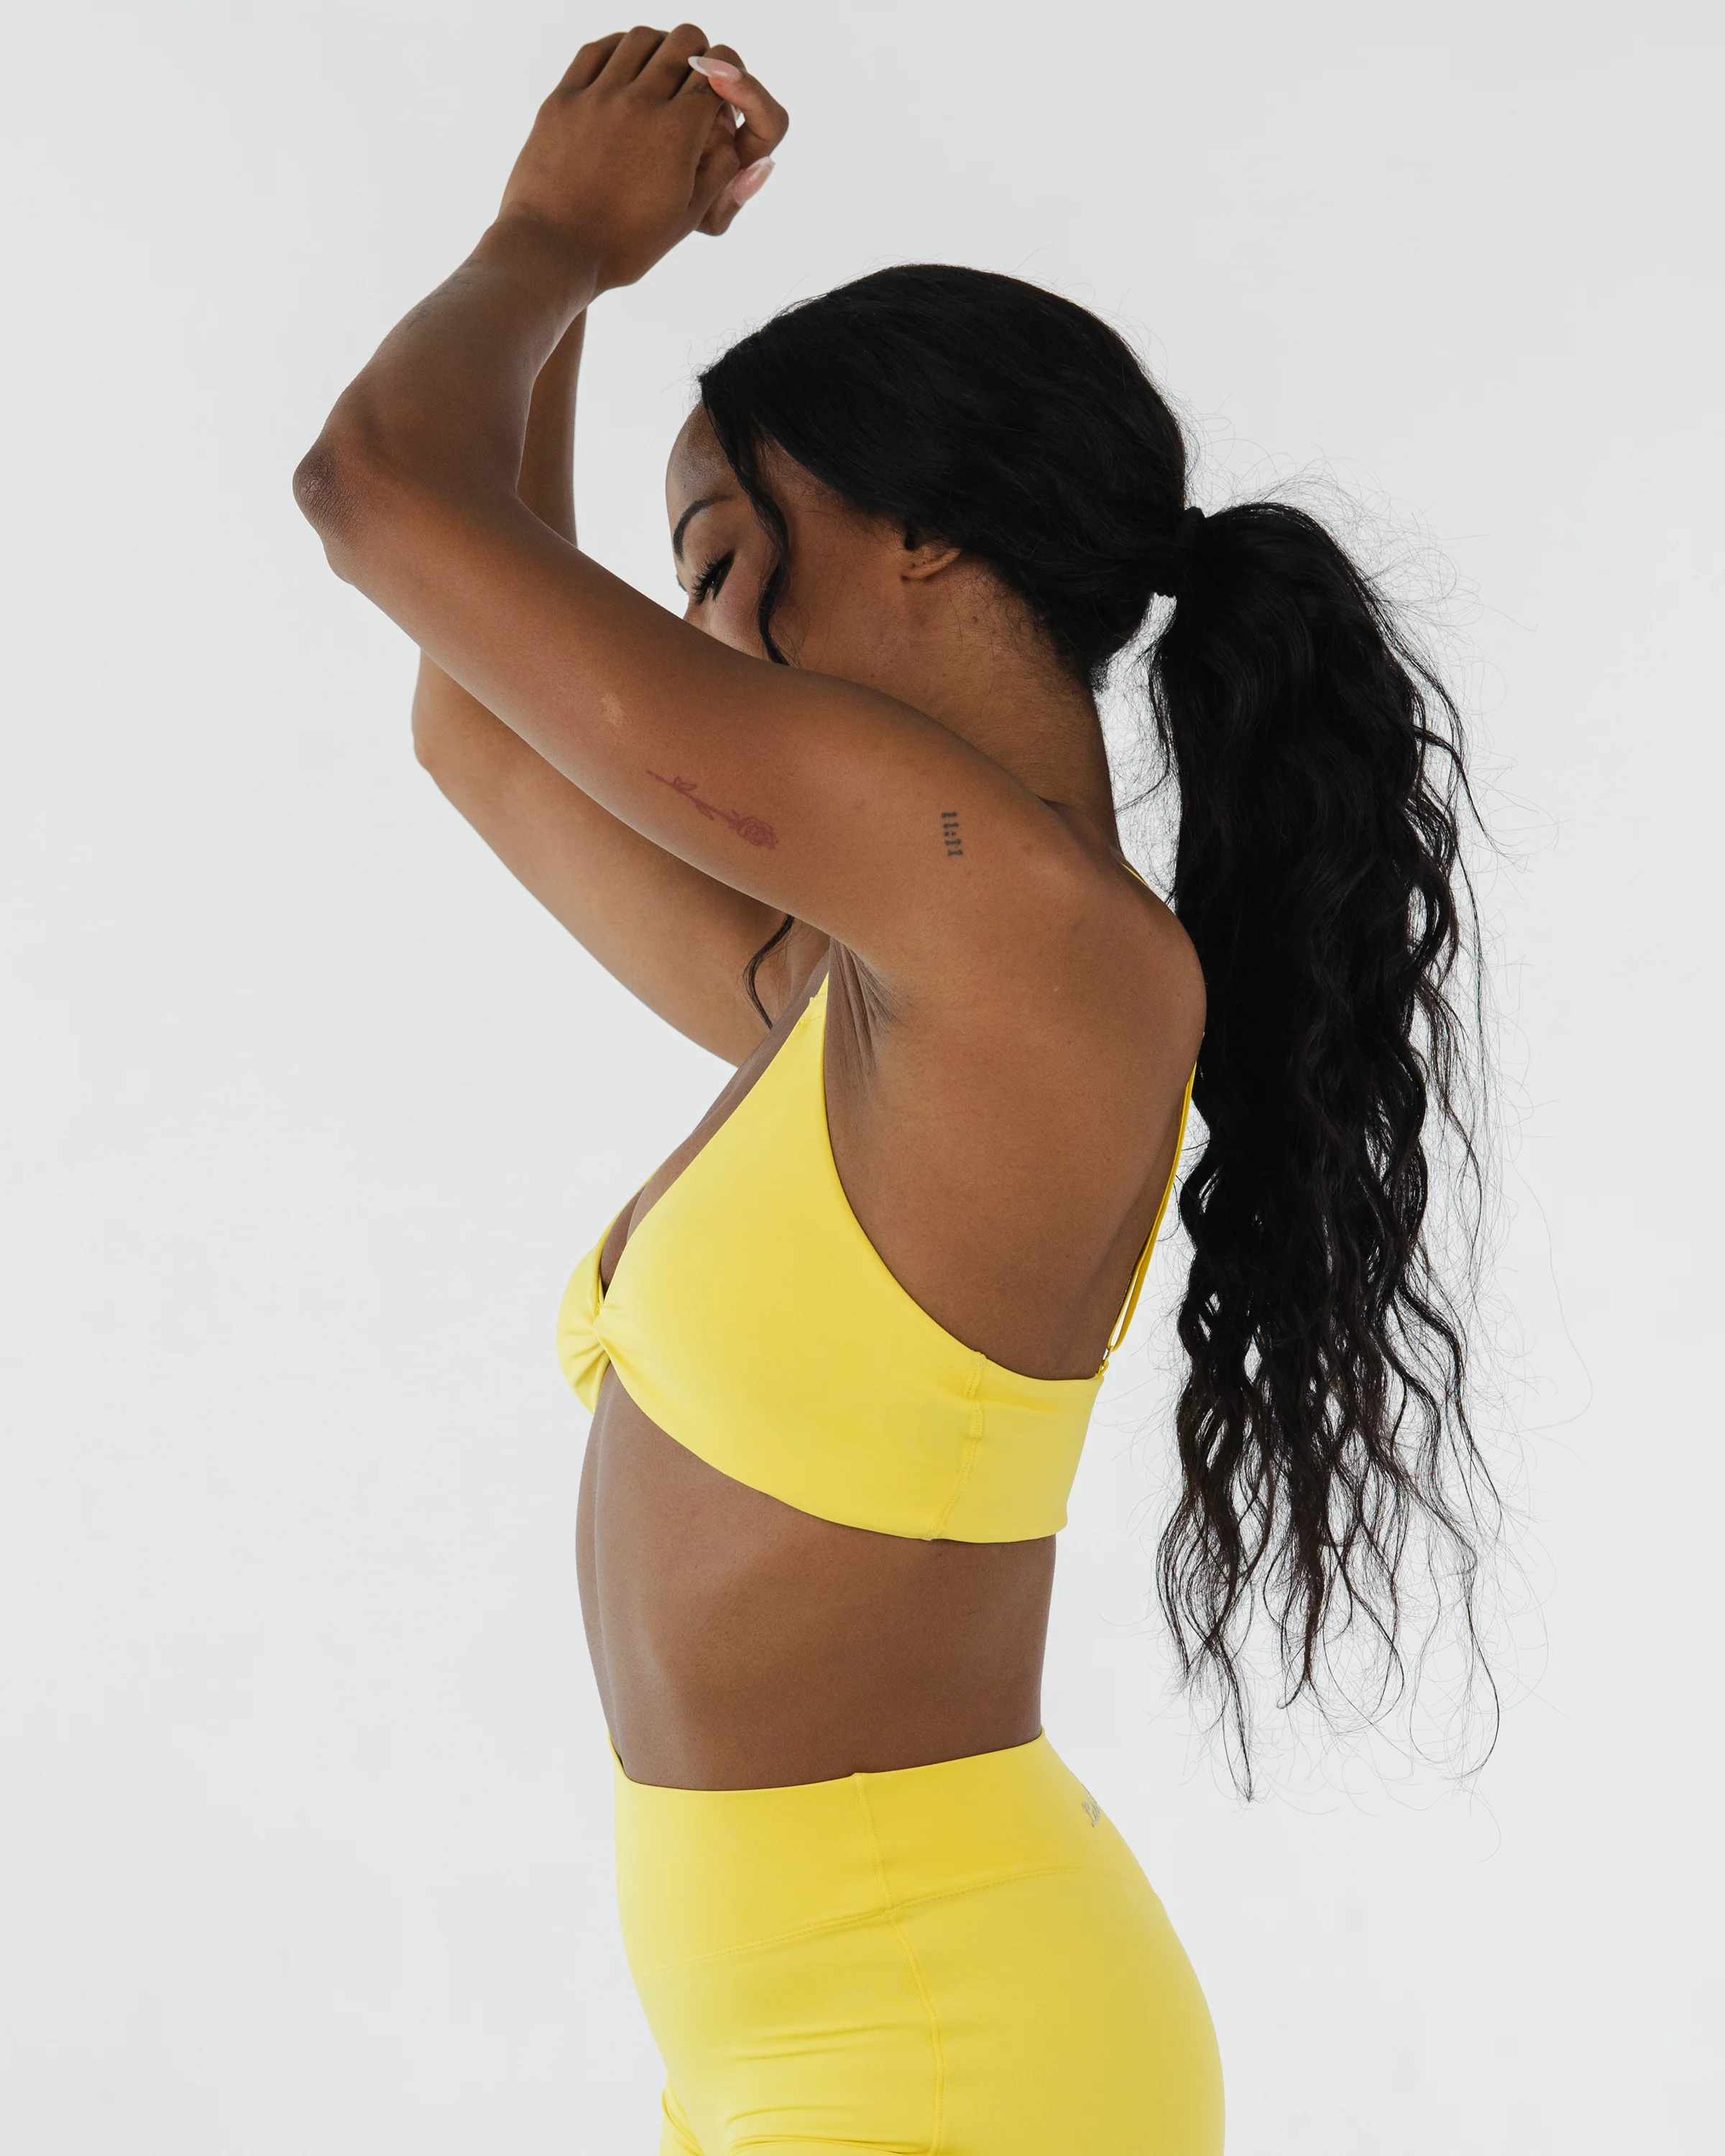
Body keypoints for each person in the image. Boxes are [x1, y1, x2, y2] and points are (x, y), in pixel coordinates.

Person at [295, 25, 1494, 2155]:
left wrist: (554, 239)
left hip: (946, 2044)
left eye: (720, 553)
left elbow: (375, 498)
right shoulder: (863, 991)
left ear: (924, 533)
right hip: (800, 2039)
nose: (697, 634)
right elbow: (473, 716)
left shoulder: (1031, 942)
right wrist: (568, 269)